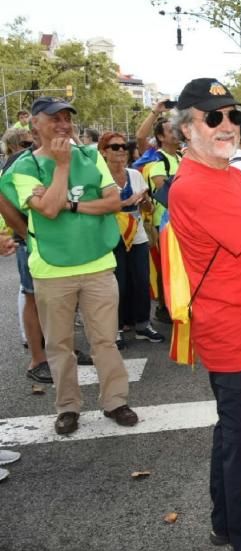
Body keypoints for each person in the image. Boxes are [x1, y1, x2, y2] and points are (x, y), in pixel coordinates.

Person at [165, 78, 241, 551]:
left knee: (233, 433)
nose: (228, 125)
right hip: (233, 332)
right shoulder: (194, 185)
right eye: (214, 118)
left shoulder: (232, 173)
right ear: (187, 129)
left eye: (233, 115)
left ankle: (227, 522)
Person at [10, 97, 135, 434]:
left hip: (98, 263)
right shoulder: (24, 167)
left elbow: (113, 202)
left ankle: (115, 401)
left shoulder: (91, 154)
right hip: (52, 269)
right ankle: (67, 407)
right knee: (60, 344)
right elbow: (48, 210)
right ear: (35, 124)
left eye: (67, 118)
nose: (64, 124)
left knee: (105, 340)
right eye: (55, 118)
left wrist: (74, 204)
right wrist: (62, 167)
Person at [99, 132, 163, 346]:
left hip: (136, 232)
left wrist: (144, 201)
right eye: (115, 147)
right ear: (103, 151)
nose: (121, 151)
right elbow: (99, 207)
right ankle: (116, 328)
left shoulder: (134, 174)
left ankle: (142, 324)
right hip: (111, 233)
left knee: (141, 280)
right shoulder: (99, 177)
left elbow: (147, 207)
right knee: (118, 283)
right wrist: (127, 200)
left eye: (124, 146)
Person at [0, 127, 50, 382]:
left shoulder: (57, 155)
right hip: (31, 241)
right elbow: (3, 200)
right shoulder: (19, 162)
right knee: (33, 297)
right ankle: (37, 360)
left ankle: (57, 351)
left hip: (54, 242)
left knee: (55, 301)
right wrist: (26, 235)